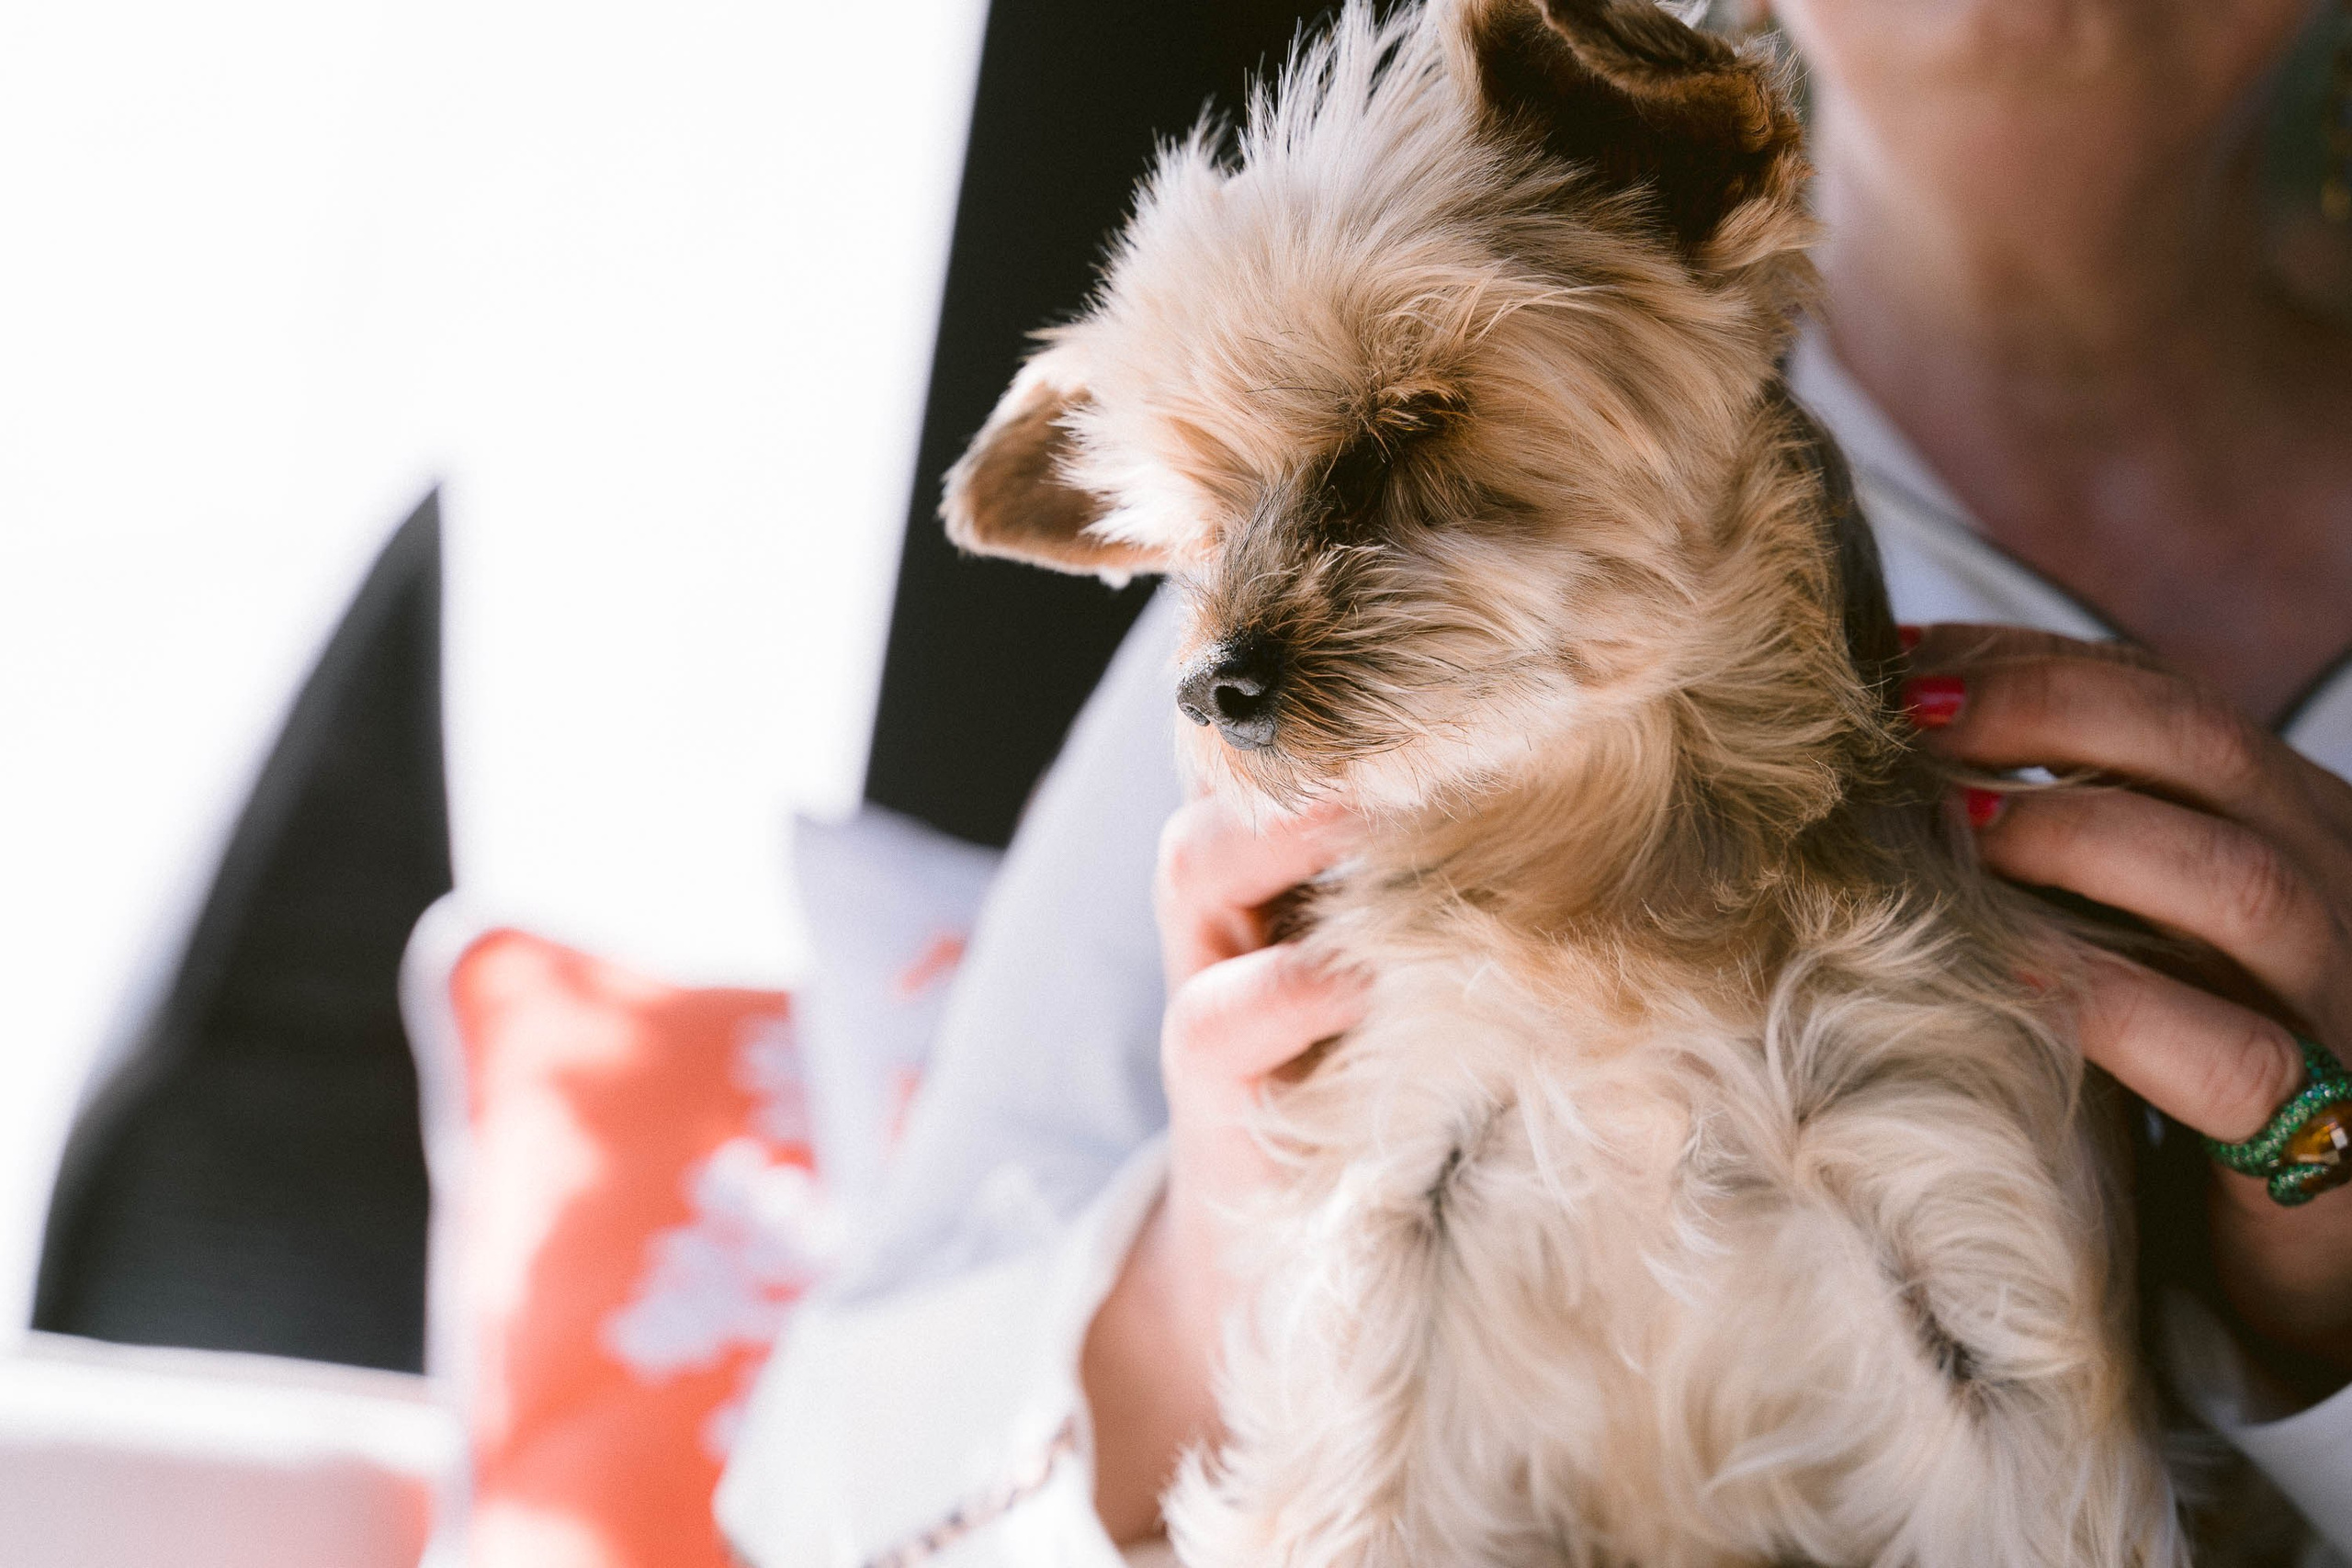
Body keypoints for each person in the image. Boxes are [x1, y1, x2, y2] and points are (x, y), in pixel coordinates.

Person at [716, 0, 2352, 1561]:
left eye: (1422, 431)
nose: (1276, 581)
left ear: (1676, 170)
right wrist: (1231, 1254)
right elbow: (820, 1494)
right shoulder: (1273, 657)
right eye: (1223, 521)